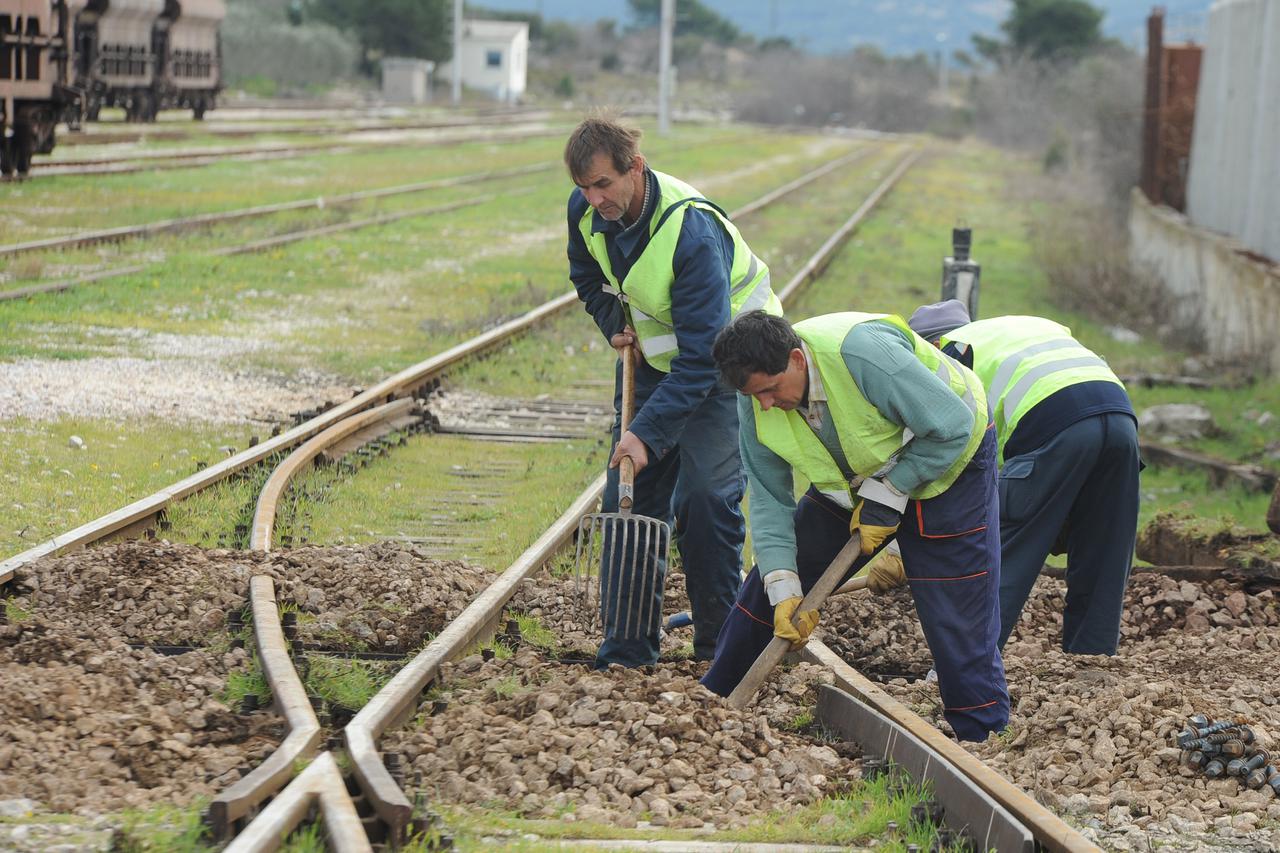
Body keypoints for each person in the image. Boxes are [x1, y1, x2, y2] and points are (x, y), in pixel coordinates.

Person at [701, 309, 1009, 742]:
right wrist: (784, 588)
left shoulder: (862, 356)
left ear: (796, 359)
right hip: (852, 480)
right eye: (755, 396)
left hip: (949, 467)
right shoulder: (755, 394)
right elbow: (770, 498)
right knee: (764, 595)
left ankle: (983, 735)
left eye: (770, 390)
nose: (765, 405)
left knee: (955, 610)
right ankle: (712, 704)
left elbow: (952, 426)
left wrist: (893, 490)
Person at [564, 115, 782, 668]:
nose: (594, 199)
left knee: (705, 498)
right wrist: (611, 319)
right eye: (584, 188)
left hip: (725, 364)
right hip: (655, 362)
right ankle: (628, 651)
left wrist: (645, 432)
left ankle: (720, 653)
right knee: (629, 497)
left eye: (604, 185)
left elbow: (704, 359)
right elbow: (585, 274)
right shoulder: (586, 212)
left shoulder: (691, 232)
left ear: (634, 168)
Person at [908, 300, 1140, 654]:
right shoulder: (1019, 327)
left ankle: (964, 670)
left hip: (1052, 420)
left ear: (925, 345)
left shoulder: (948, 354)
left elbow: (948, 459)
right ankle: (1092, 662)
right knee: (1104, 547)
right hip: (1121, 417)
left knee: (997, 554)